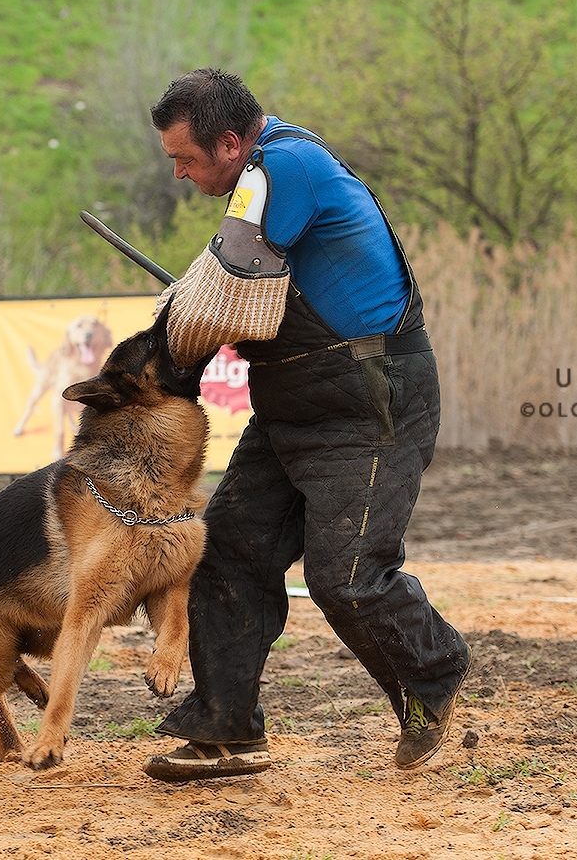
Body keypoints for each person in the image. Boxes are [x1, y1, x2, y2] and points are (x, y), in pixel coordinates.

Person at [141, 68, 470, 782]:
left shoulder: (283, 167)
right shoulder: (259, 177)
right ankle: (228, 728)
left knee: (347, 574)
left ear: (230, 144)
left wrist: (160, 356)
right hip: (297, 401)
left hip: (369, 399)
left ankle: (434, 673)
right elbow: (223, 296)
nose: (178, 172)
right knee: (227, 550)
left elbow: (225, 291)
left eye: (186, 158)